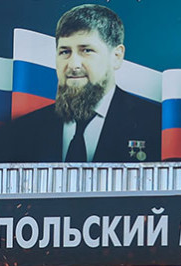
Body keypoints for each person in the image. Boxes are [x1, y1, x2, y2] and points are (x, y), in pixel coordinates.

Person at [13, 4, 160, 162]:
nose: (73, 65)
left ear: (116, 56)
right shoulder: (25, 129)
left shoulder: (155, 124)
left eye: (86, 50)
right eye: (65, 52)